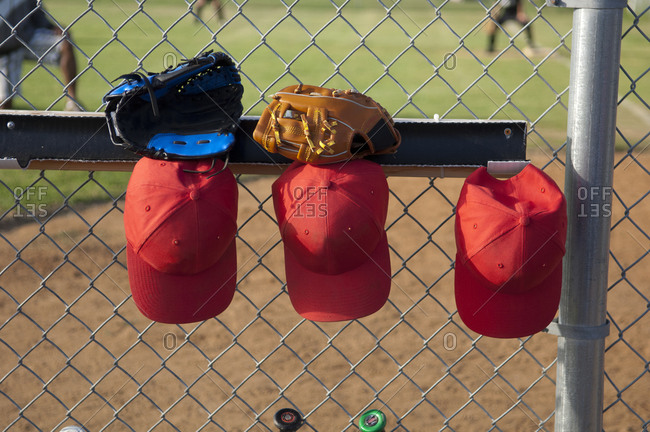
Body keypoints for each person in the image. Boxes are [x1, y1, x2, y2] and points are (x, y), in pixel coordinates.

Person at [0, 0, 81, 110]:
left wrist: (50, 26)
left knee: (64, 43)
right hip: (5, 48)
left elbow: (36, 11)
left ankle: (72, 102)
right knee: (5, 102)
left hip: (27, 36)